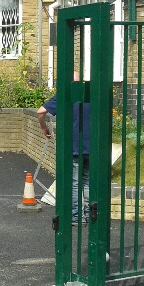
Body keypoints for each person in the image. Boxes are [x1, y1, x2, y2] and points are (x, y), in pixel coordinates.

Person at [37, 75, 90, 226]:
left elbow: (41, 112)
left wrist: (43, 127)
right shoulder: (90, 95)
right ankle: (89, 214)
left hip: (73, 147)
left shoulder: (64, 96)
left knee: (74, 182)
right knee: (87, 181)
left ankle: (76, 216)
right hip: (91, 146)